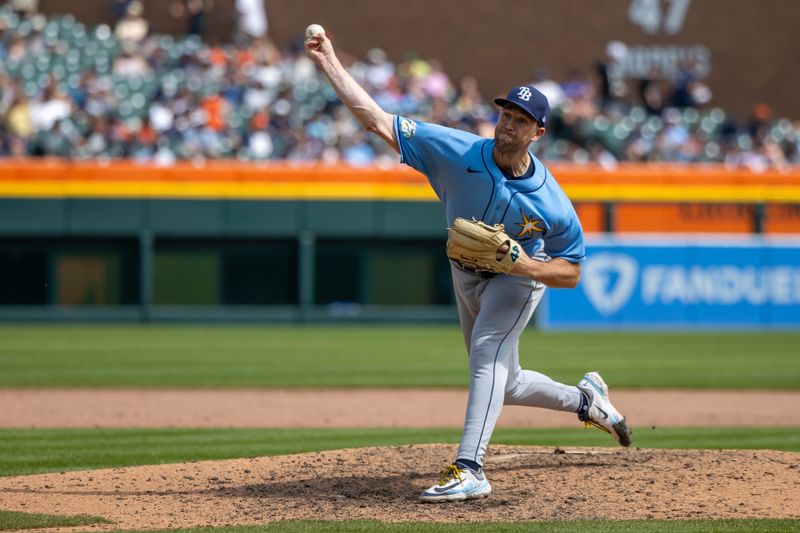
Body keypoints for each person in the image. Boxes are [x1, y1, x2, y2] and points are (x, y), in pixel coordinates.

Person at [305, 29, 632, 503]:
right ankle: (588, 401)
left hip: (516, 283)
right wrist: (329, 60)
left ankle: (469, 467)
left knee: (485, 354)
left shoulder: (553, 202)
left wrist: (527, 267)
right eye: (506, 114)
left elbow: (573, 271)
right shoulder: (456, 151)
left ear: (538, 133)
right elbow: (376, 120)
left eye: (521, 120)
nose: (509, 125)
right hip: (466, 274)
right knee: (509, 382)